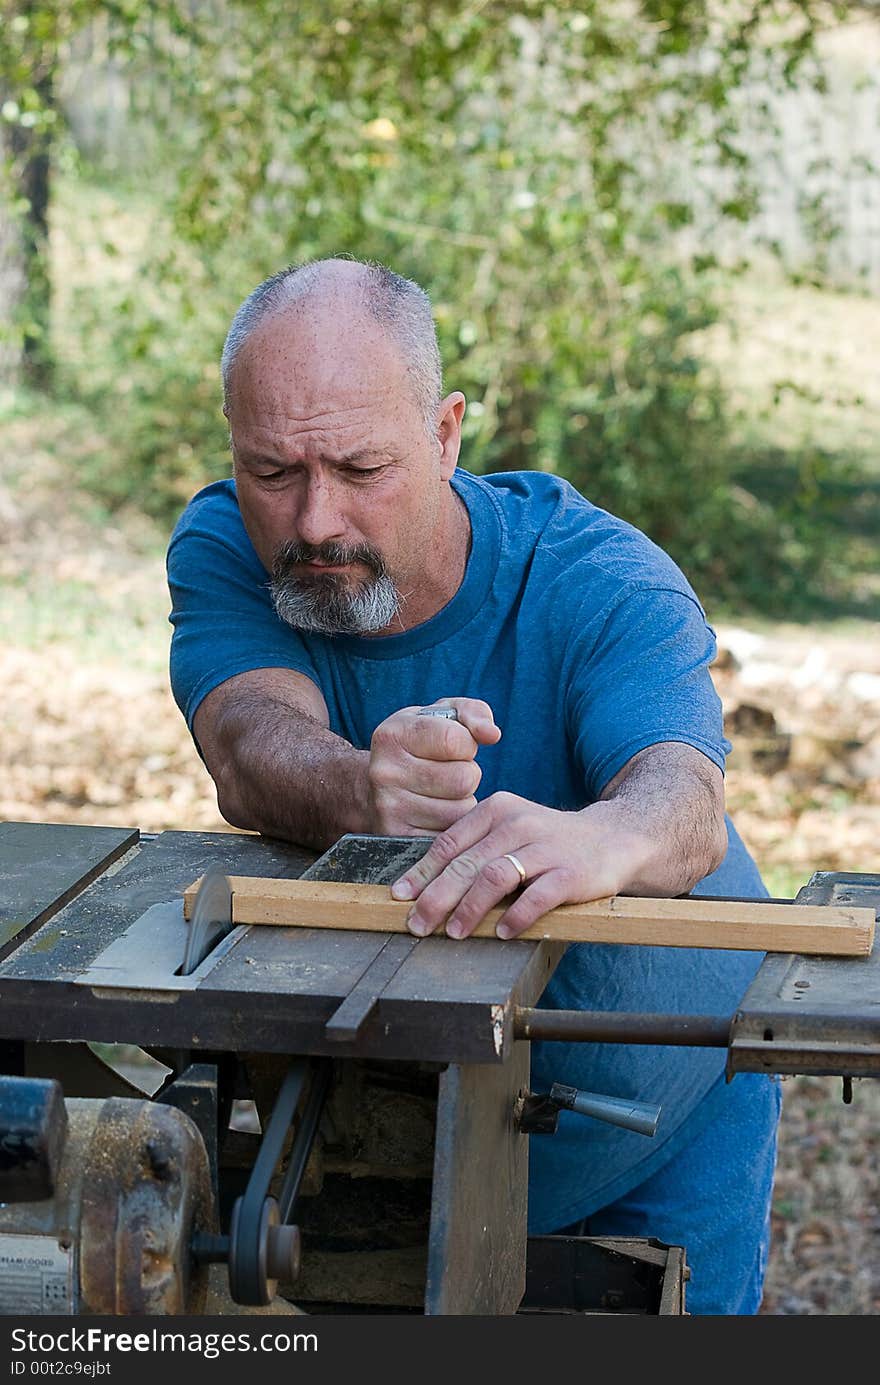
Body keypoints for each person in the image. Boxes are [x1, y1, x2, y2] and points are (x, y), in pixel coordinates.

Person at [166, 256, 782, 1315]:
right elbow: (246, 738)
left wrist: (604, 842)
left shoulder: (599, 575)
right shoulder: (226, 540)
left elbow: (682, 797)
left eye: (360, 469)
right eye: (274, 472)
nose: (314, 519)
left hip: (663, 1113)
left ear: (446, 434)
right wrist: (361, 785)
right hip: (398, 1114)